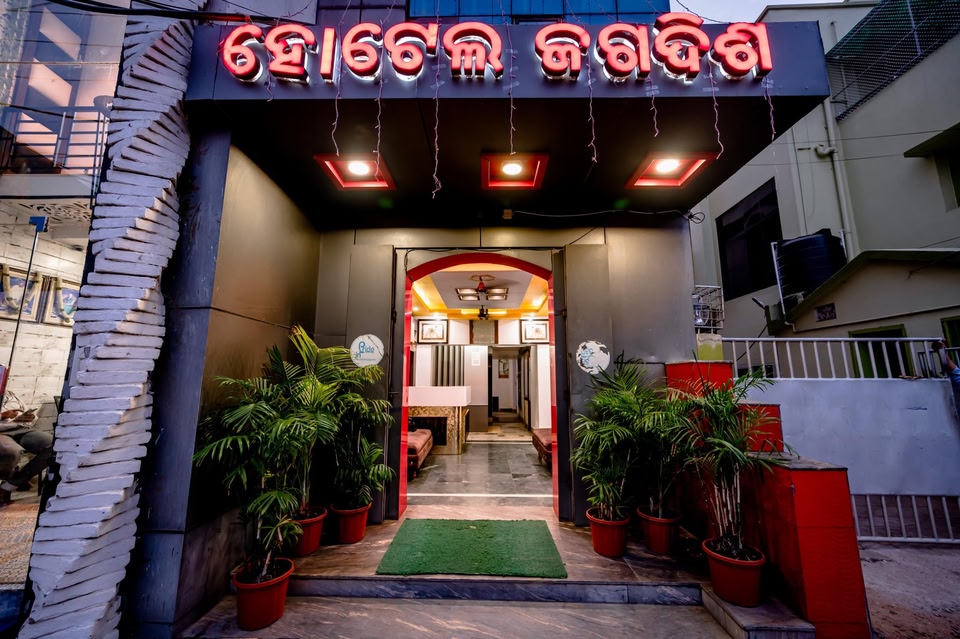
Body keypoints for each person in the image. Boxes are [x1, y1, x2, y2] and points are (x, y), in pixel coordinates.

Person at [0, 419, 53, 506]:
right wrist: (3, 415)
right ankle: (9, 482)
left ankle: (11, 484)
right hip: (2, 432)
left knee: (53, 445)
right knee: (11, 452)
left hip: (22, 428)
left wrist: (30, 417)